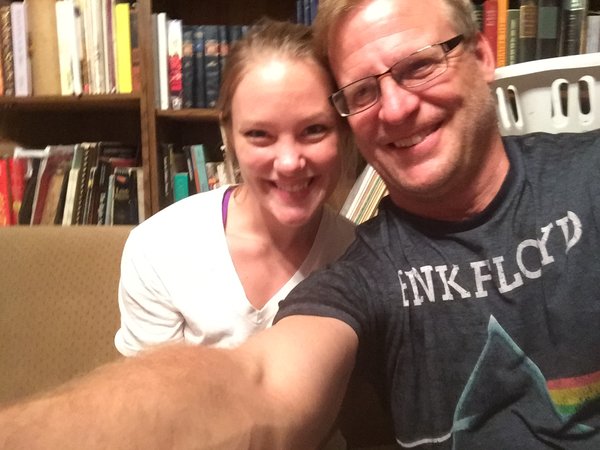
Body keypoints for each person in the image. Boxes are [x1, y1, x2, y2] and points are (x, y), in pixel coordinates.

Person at [2, 0, 600, 449]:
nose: (395, 108)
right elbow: (261, 382)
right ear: (227, 136)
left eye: (419, 65)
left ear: (483, 56)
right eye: (363, 91)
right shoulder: (365, 267)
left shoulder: (587, 173)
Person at [114, 18, 355, 356]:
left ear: (344, 131)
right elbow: (150, 387)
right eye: (259, 134)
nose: (289, 162)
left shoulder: (358, 257)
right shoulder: (159, 248)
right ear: (228, 135)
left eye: (314, 129)